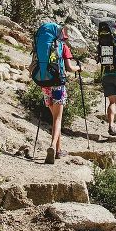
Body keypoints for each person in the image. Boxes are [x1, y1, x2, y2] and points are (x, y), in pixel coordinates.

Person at [40, 26, 80, 164]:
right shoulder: (63, 47)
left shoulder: (42, 45)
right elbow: (69, 68)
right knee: (58, 119)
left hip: (45, 84)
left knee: (54, 118)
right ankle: (52, 146)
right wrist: (78, 68)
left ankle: (58, 150)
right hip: (58, 84)